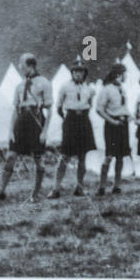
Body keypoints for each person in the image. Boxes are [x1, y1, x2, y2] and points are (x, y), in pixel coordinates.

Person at [0, 52, 52, 201]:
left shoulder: (44, 82)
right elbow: (15, 110)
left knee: (38, 159)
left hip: (36, 121)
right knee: (11, 156)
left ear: (31, 65)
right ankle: (1, 190)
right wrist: (11, 131)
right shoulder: (19, 86)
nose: (20, 67)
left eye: (22, 64)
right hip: (21, 122)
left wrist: (45, 131)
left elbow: (49, 109)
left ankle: (35, 194)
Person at [51, 57, 96, 198]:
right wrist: (68, 119)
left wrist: (81, 115)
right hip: (70, 120)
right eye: (76, 71)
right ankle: (56, 188)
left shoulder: (90, 89)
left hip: (83, 120)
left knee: (82, 156)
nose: (78, 74)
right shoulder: (64, 87)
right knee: (65, 155)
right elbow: (58, 107)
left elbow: (90, 105)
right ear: (72, 73)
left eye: (81, 72)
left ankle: (80, 187)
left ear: (84, 73)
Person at [95, 61, 131, 196]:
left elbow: (123, 108)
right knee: (109, 156)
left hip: (123, 125)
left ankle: (117, 185)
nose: (126, 76)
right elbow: (99, 109)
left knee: (120, 157)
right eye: (124, 74)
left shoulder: (122, 89)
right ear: (118, 75)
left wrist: (131, 118)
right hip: (112, 125)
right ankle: (102, 186)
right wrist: (112, 121)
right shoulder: (106, 89)